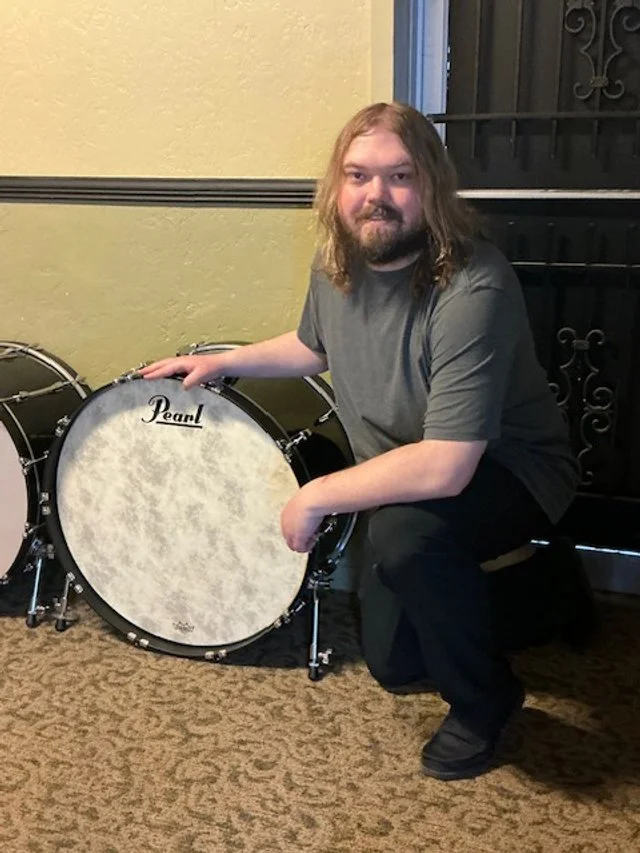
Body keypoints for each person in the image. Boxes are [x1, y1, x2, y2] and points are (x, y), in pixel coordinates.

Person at [141, 102, 596, 781]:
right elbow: (310, 346)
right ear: (338, 185)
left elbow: (447, 465)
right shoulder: (338, 264)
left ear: (431, 186)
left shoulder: (476, 283)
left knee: (405, 539)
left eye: (398, 176)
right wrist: (225, 361)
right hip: (409, 475)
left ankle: (486, 702)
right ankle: (543, 589)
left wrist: (318, 494)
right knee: (396, 664)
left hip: (509, 467)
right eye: (358, 175)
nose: (374, 195)